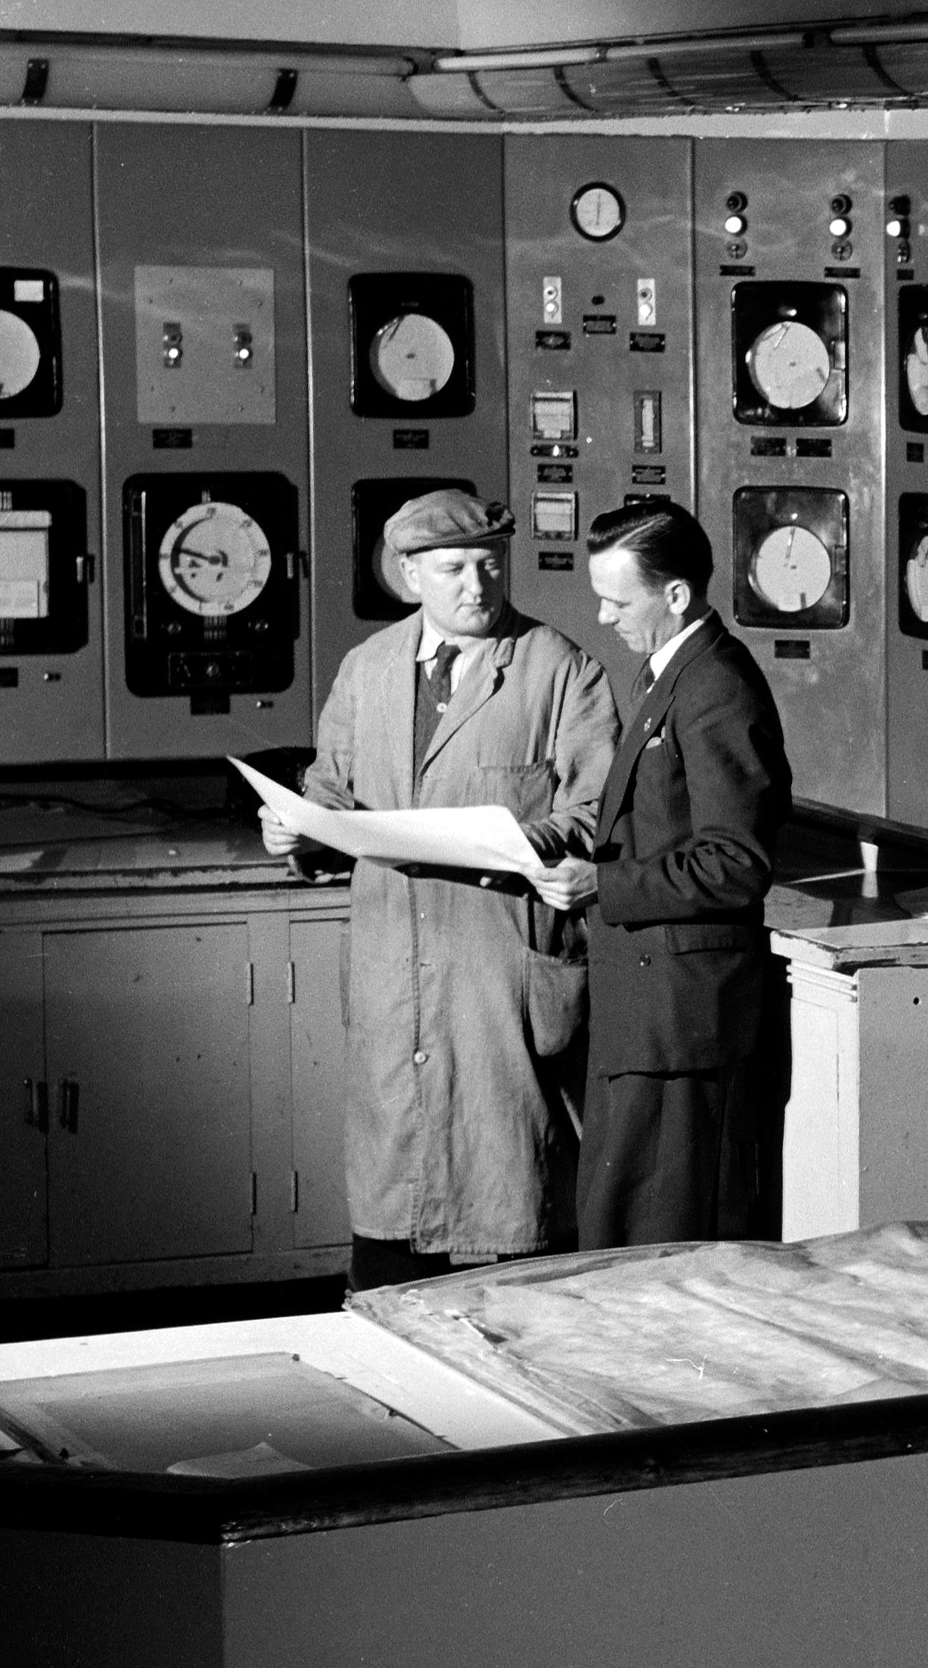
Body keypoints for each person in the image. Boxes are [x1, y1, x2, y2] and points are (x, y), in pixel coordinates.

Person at [266, 490, 618, 1289]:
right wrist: (296, 830)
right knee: (396, 1212)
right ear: (408, 573)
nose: (477, 585)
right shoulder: (367, 669)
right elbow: (330, 790)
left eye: (491, 565)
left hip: (499, 975)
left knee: (513, 1207)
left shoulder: (559, 668)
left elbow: (599, 808)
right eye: (454, 568)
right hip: (395, 966)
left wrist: (526, 838)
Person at [534, 499, 794, 1246]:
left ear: (676, 594)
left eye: (618, 601)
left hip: (682, 1026)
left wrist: (603, 884)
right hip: (646, 1013)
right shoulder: (666, 675)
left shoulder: (716, 686)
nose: (603, 615)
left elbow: (736, 861)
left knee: (664, 1241)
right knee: (622, 1231)